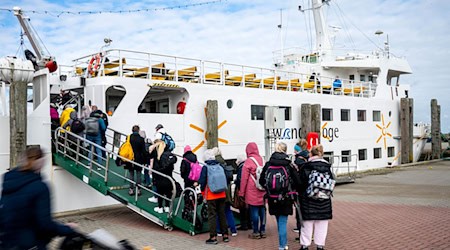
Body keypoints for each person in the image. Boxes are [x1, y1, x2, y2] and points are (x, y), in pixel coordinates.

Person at [0, 147, 76, 249]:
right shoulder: (40, 187)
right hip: (30, 244)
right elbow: (45, 225)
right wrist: (67, 228)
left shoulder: (8, 181)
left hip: (7, 244)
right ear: (41, 163)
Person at [259, 142, 300, 250]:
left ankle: (283, 244)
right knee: (283, 221)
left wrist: (269, 189)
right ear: (285, 151)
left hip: (272, 197)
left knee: (278, 220)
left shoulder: (268, 164)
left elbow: (261, 180)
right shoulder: (288, 165)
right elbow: (297, 181)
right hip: (285, 197)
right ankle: (282, 245)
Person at [298, 145, 333, 250]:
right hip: (324, 200)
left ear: (311, 154)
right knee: (322, 224)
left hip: (308, 200)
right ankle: (320, 246)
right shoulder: (327, 167)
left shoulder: (306, 167)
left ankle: (305, 246)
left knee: (307, 224)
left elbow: (301, 184)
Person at [198, 149, 229, 245]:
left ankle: (213, 237)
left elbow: (202, 182)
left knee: (212, 216)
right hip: (222, 193)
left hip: (211, 195)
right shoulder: (220, 166)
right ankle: (225, 235)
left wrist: (202, 192)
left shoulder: (205, 168)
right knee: (222, 214)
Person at [239, 142, 266, 239]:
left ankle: (255, 231)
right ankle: (263, 230)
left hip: (252, 190)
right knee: (262, 210)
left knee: (254, 210)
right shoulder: (263, 159)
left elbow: (244, 179)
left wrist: (241, 192)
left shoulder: (248, 161)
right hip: (262, 189)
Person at [212, 147, 237, 237]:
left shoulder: (214, 164)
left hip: (219, 190)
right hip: (227, 190)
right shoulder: (224, 163)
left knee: (219, 212)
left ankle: (219, 231)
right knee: (228, 211)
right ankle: (233, 230)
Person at [149, 140, 176, 213]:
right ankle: (167, 206)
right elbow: (173, 163)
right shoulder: (169, 155)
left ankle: (160, 207)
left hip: (160, 177)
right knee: (168, 192)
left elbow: (156, 167)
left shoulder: (159, 156)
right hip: (168, 177)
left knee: (160, 192)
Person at [293, 139, 309, 239]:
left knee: (299, 212)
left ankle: (301, 234)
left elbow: (296, 176)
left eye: (295, 150)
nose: (294, 151)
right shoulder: (308, 157)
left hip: (300, 189)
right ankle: (308, 233)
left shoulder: (298, 160)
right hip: (308, 188)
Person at [125, 125, 148, 196]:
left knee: (131, 174)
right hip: (138, 159)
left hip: (130, 158)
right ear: (138, 130)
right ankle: (138, 190)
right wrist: (145, 160)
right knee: (138, 174)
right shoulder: (141, 139)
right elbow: (143, 151)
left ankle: (131, 189)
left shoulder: (128, 138)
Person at [235, 154, 252, 231]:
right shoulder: (247, 165)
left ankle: (244, 225)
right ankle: (250, 224)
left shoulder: (241, 167)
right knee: (248, 208)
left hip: (243, 190)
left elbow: (240, 180)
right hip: (248, 190)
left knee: (243, 208)